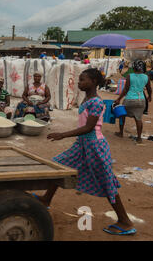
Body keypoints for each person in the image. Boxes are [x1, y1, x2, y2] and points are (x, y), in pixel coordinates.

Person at [35, 68, 136, 236]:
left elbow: (89, 127)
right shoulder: (87, 98)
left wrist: (62, 135)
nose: (79, 83)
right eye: (79, 79)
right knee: (59, 165)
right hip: (82, 144)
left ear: (94, 82)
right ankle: (46, 199)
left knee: (107, 183)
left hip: (94, 147)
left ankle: (125, 221)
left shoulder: (96, 102)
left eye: (83, 80)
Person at [114, 60, 152, 144]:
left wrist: (119, 99)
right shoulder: (146, 77)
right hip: (141, 100)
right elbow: (149, 89)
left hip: (129, 100)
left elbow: (126, 90)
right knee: (138, 119)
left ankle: (121, 133)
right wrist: (150, 96)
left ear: (134, 67)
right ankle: (139, 138)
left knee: (122, 115)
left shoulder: (129, 76)